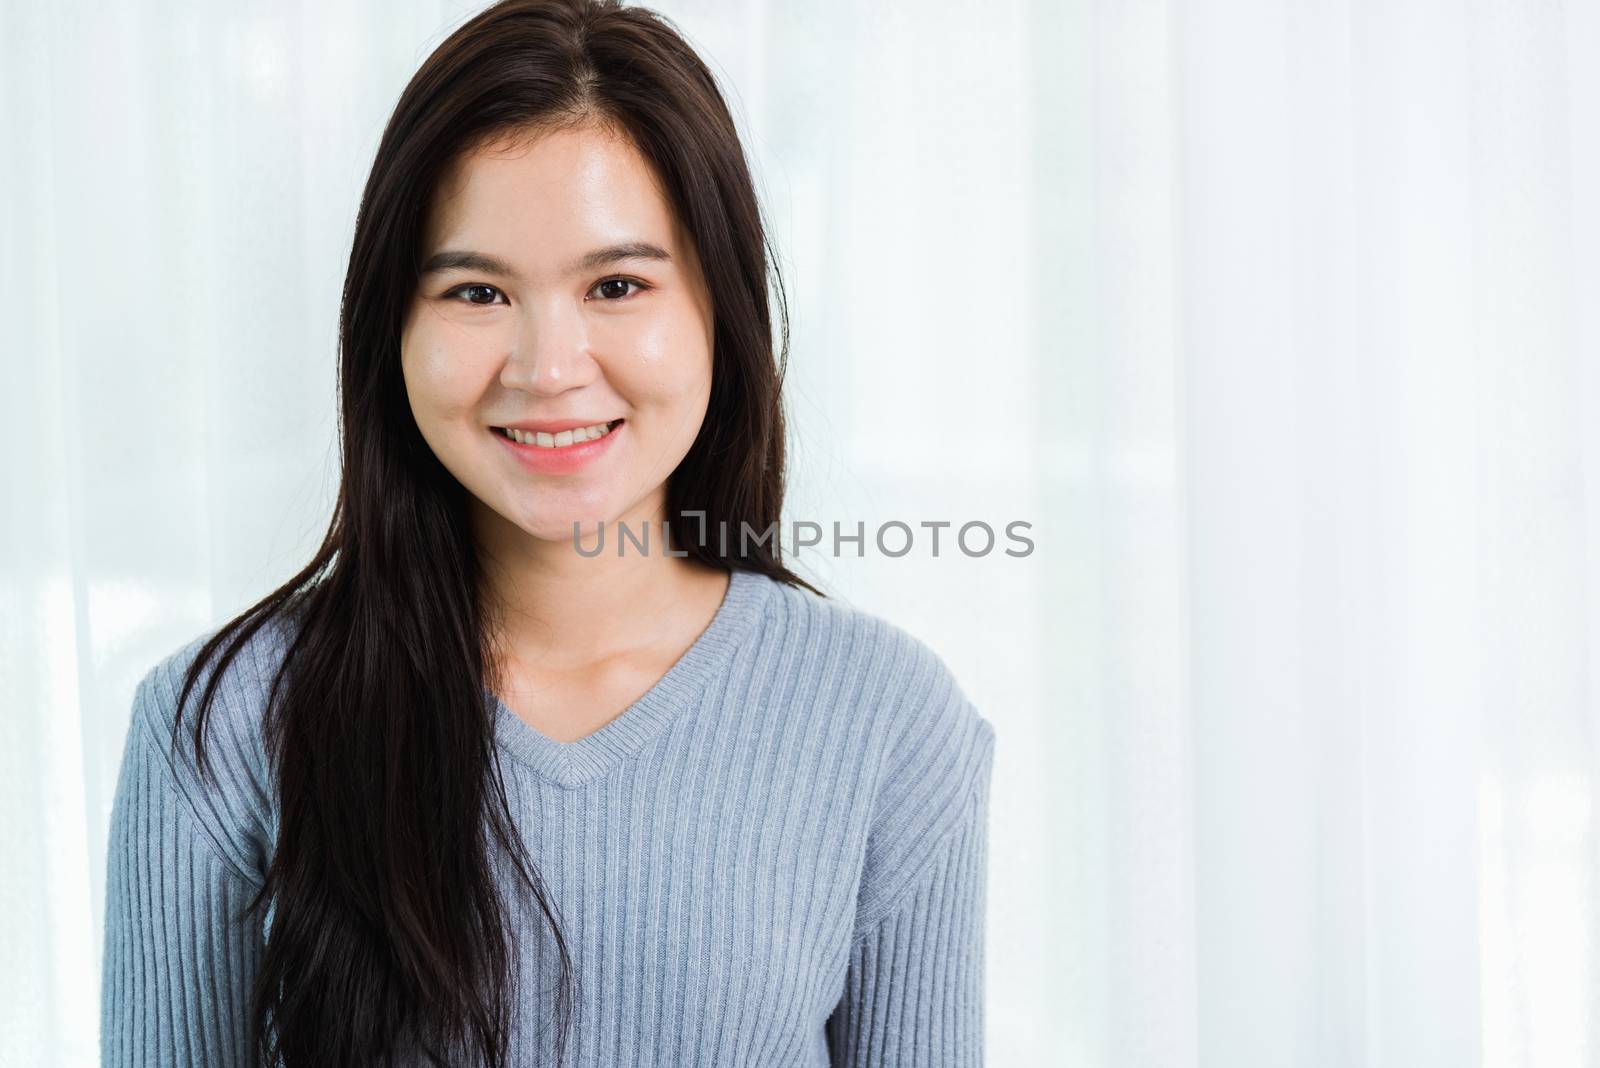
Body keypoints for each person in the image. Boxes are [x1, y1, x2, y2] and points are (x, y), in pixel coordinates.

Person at [98, 1, 996, 1064]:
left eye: (617, 285)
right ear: (392, 331)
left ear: (721, 311)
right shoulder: (218, 727)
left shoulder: (885, 720)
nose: (547, 366)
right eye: (477, 291)